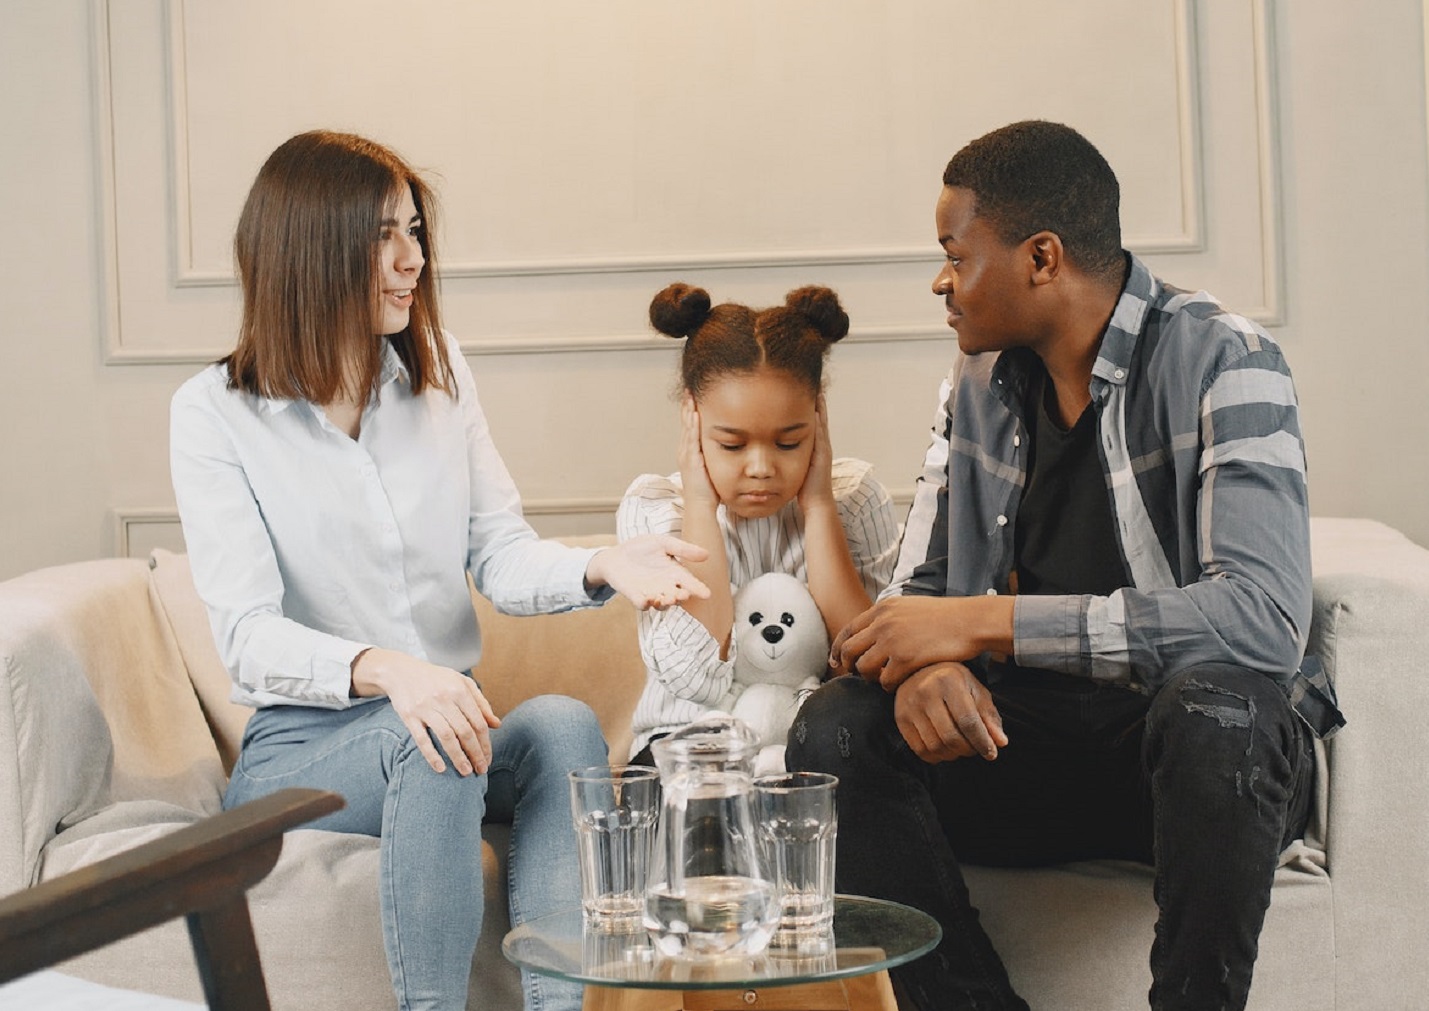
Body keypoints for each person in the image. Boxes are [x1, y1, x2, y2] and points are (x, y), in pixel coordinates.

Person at [787, 120, 1344, 1011]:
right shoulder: (973, 385)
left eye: (954, 254)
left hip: (1186, 764)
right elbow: (911, 597)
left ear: (1040, 258)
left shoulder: (1226, 361)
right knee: (835, 725)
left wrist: (979, 625)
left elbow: (1260, 622)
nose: (941, 280)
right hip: (1022, 748)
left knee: (1218, 706)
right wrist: (926, 662)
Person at [169, 130, 710, 1011]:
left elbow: (497, 552)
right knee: (430, 735)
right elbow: (245, 635)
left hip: (441, 725)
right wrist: (394, 672)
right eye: (385, 235)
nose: (412, 259)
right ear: (312, 244)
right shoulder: (212, 415)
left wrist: (600, 564)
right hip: (303, 751)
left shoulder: (440, 371)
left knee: (564, 726)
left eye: (415, 233)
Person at [617, 283, 900, 766]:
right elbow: (695, 680)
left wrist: (817, 507)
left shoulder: (854, 499)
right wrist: (701, 507)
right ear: (693, 419)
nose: (761, 467)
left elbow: (866, 671)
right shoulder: (656, 508)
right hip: (684, 742)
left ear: (818, 418)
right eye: (731, 444)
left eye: (790, 442)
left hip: (814, 747)